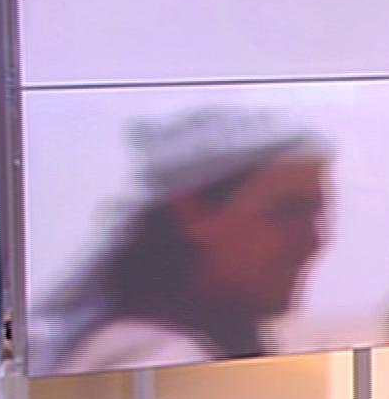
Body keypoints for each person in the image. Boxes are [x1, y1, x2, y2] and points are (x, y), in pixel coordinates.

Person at [31, 107, 334, 375]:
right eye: (288, 212)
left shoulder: (214, 340)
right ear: (192, 213)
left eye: (317, 212)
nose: (314, 240)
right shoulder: (159, 357)